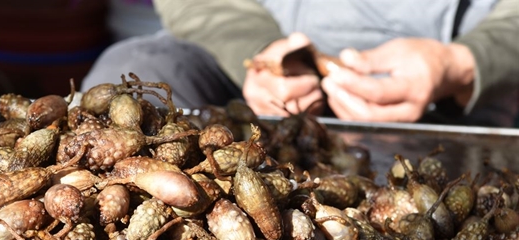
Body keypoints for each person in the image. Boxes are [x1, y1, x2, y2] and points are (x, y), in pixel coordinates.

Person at [82, 0, 519, 127]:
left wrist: (466, 63)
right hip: (253, 67)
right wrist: (259, 53)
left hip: (462, 90)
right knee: (131, 73)